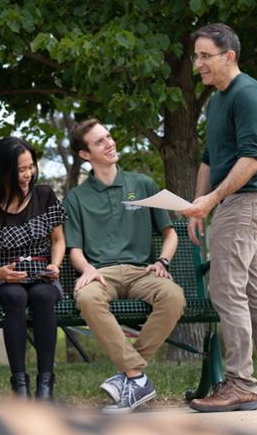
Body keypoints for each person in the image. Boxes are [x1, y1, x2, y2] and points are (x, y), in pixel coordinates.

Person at [181, 23, 257, 413]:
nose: (197, 63)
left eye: (204, 56)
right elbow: (210, 158)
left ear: (228, 56)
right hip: (228, 202)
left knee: (226, 290)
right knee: (251, 293)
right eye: (195, 55)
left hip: (244, 201)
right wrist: (200, 203)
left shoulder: (248, 95)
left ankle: (240, 384)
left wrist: (212, 200)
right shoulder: (218, 99)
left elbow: (251, 159)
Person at [62, 119, 186, 414]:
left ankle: (131, 376)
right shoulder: (76, 198)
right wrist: (88, 270)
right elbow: (75, 250)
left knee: (173, 296)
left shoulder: (142, 184)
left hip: (142, 271)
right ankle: (136, 376)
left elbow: (170, 233)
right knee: (87, 298)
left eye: (109, 136)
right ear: (84, 155)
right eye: (100, 141)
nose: (110, 143)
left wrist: (162, 261)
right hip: (101, 274)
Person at [0, 137, 66, 401]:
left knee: (43, 296)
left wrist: (55, 265)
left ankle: (45, 386)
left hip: (42, 271)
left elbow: (58, 240)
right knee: (15, 297)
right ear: (3, 172)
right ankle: (20, 385)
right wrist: (0, 274)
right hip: (3, 276)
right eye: (21, 170)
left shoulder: (44, 195)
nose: (28, 174)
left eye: (31, 167)